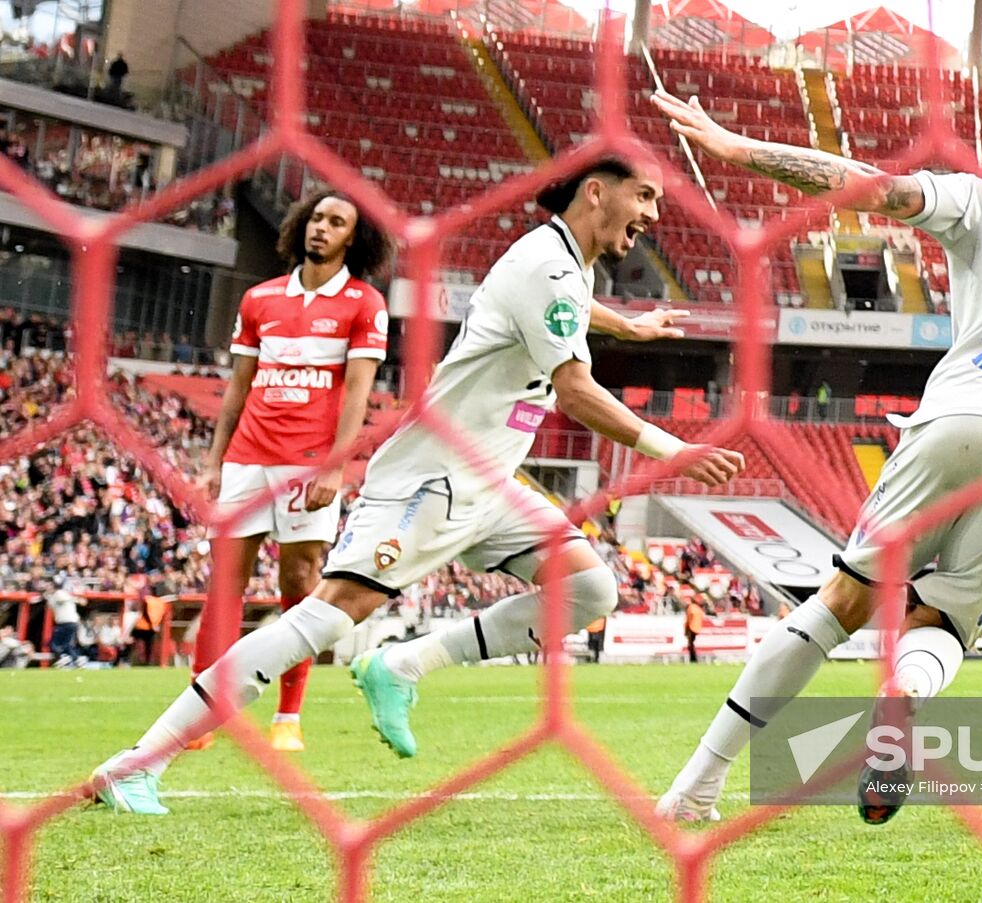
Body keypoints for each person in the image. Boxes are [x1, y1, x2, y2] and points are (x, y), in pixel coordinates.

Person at [91, 156, 747, 815]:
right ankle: (137, 762)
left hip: (488, 483)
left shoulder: (566, 264)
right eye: (646, 197)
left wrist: (625, 325)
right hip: (429, 481)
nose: (654, 216)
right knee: (321, 616)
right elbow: (575, 393)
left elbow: (568, 304)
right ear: (597, 191)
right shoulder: (545, 264)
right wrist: (674, 450)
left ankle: (401, 665)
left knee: (589, 586)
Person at [649, 91, 982, 825]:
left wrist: (739, 149)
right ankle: (903, 701)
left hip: (966, 413)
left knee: (842, 602)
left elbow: (873, 187)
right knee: (947, 623)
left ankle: (697, 788)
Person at [185, 189, 391, 754]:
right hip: (248, 457)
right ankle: (199, 712)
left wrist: (336, 466)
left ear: (354, 237)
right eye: (316, 218)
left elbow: (357, 395)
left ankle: (288, 713)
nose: (321, 229)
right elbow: (237, 388)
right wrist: (213, 461)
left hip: (307, 465)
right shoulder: (259, 299)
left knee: (300, 585)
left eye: (336, 222)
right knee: (224, 582)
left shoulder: (363, 303)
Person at [685, 595, 705, 663]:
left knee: (691, 644)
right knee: (693, 644)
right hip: (698, 628)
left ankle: (693, 659)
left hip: (692, 628)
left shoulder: (691, 607)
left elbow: (688, 619)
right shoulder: (698, 608)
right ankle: (694, 658)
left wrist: (686, 629)